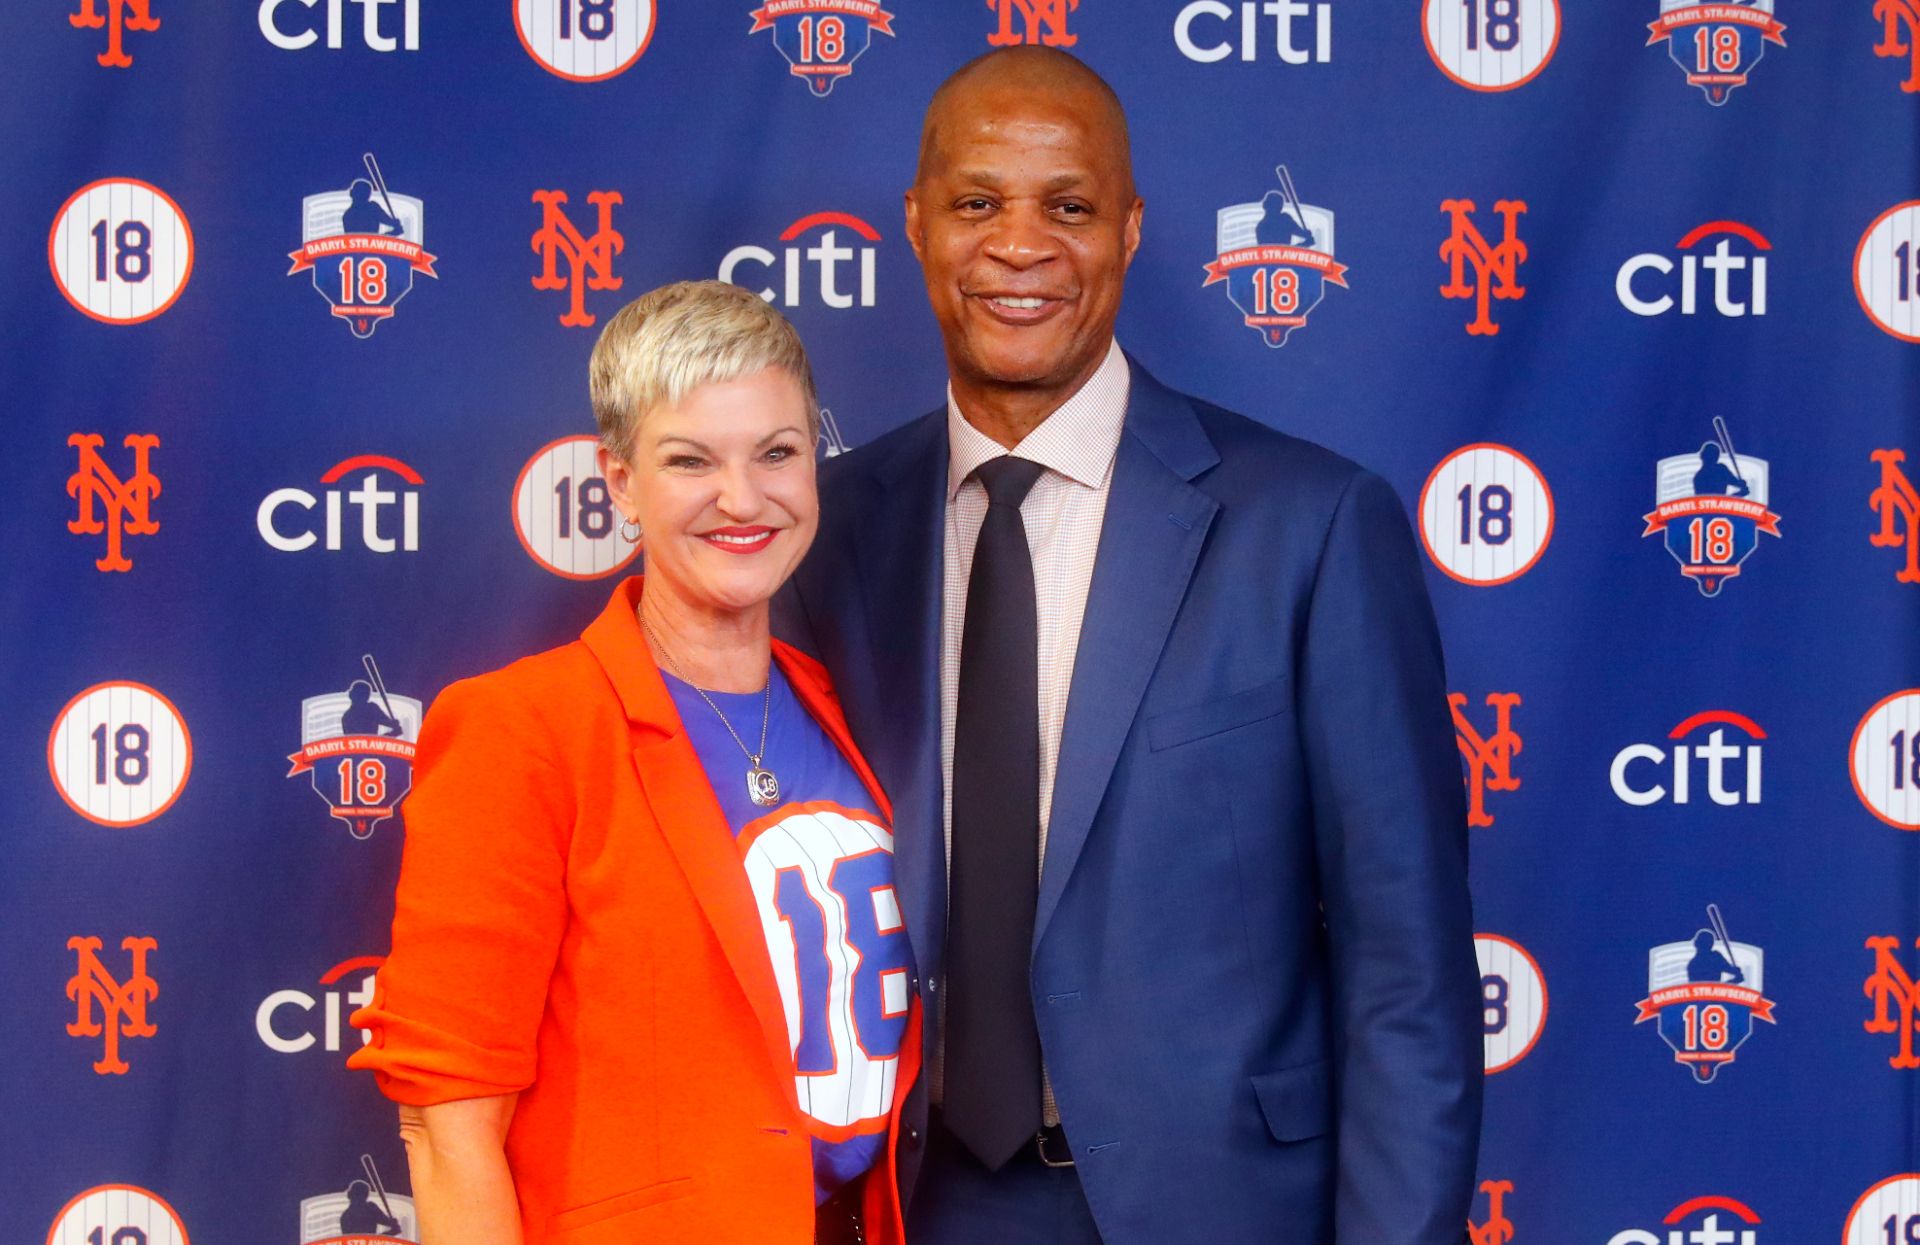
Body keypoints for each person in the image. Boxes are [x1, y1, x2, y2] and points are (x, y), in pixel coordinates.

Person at [777, 48, 1481, 1244]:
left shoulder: (1309, 526)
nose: (1020, 247)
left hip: (1214, 1209)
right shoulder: (822, 533)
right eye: (976, 203)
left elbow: (1406, 973)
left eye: (1069, 207)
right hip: (901, 1203)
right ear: (916, 222)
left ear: (1133, 229)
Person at [350, 281, 919, 1245]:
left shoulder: (842, 706)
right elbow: (449, 1133)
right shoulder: (523, 728)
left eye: (776, 453)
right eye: (690, 460)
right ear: (618, 482)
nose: (744, 499)